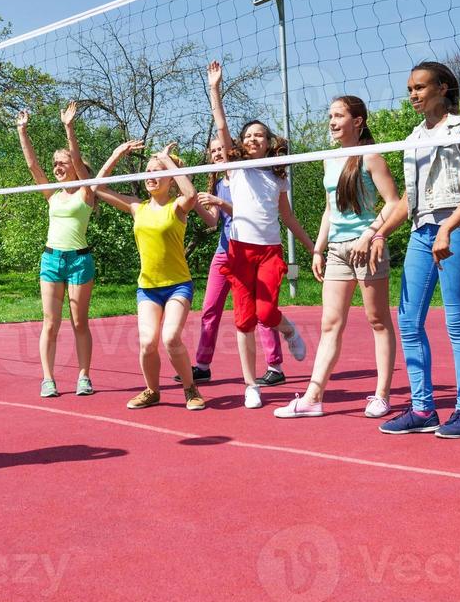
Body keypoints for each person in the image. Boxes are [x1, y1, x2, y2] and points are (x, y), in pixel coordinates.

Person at [378, 62, 460, 439]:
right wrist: (378, 233)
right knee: (408, 321)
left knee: (456, 322)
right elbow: (409, 197)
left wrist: (448, 226)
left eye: (420, 87)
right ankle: (423, 408)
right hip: (420, 230)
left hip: (454, 229)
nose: (413, 94)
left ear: (443, 88)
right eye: (410, 88)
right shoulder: (412, 138)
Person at [275, 96, 403, 420]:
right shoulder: (329, 159)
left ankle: (382, 395)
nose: (332, 121)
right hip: (337, 251)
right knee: (330, 324)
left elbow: (392, 202)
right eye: (330, 115)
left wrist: (370, 234)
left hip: (367, 248)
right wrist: (318, 248)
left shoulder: (371, 157)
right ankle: (313, 397)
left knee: (378, 321)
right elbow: (330, 210)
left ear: (357, 121)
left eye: (339, 115)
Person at [200, 61, 314, 410]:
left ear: (268, 143)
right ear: (241, 143)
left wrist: (313, 248)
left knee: (267, 313)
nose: (252, 139)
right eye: (247, 135)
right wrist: (215, 89)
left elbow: (288, 217)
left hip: (269, 251)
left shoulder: (278, 177)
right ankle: (251, 384)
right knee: (244, 319)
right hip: (238, 251)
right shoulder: (233, 167)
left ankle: (289, 329)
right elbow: (220, 123)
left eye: (259, 135)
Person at [94, 140, 205, 411]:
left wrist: (165, 160)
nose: (150, 176)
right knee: (146, 343)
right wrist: (117, 152)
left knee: (170, 338)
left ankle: (190, 389)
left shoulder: (178, 207)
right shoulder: (137, 207)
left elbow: (191, 192)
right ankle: (152, 391)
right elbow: (96, 188)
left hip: (178, 285)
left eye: (157, 172)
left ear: (170, 179)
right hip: (148, 288)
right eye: (148, 171)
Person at [176, 133, 286, 386]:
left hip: (250, 250)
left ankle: (275, 366)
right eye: (212, 151)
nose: (217, 154)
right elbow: (212, 221)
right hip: (224, 251)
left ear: (230, 151)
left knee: (261, 309)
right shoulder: (216, 184)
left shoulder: (246, 175)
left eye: (220, 150)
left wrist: (221, 202)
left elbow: (250, 212)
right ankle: (202, 365)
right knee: (210, 309)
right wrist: (194, 200)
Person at [16, 103, 97, 398]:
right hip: (51, 260)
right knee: (50, 323)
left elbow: (76, 159)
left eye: (63, 163)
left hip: (79, 261)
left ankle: (84, 376)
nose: (58, 167)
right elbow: (32, 167)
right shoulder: (52, 196)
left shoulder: (86, 193)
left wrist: (69, 128)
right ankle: (48, 379)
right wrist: (22, 131)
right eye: (55, 163)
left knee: (79, 322)